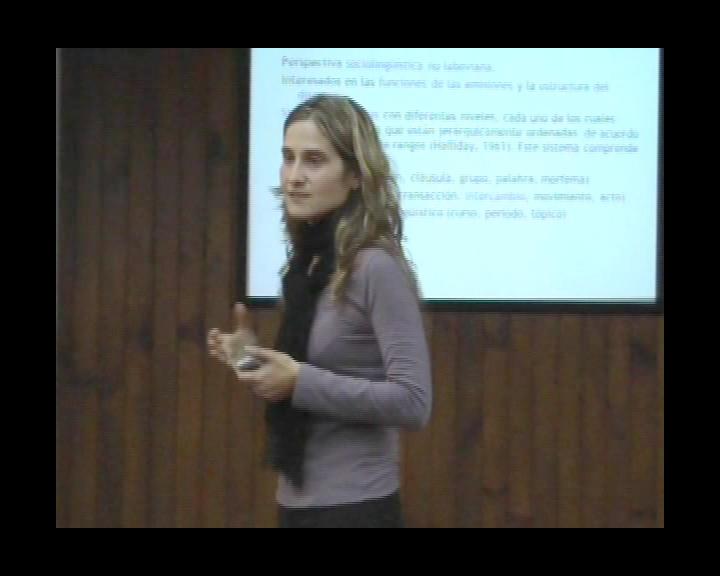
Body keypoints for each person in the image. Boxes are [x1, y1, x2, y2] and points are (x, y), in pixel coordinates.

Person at [207, 94, 432, 528]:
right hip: (297, 500)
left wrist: (300, 381)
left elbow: (414, 402)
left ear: (355, 175)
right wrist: (249, 359)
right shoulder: (308, 264)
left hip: (356, 506)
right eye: (287, 158)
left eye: (313, 160)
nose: (294, 177)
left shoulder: (376, 266)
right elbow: (309, 374)